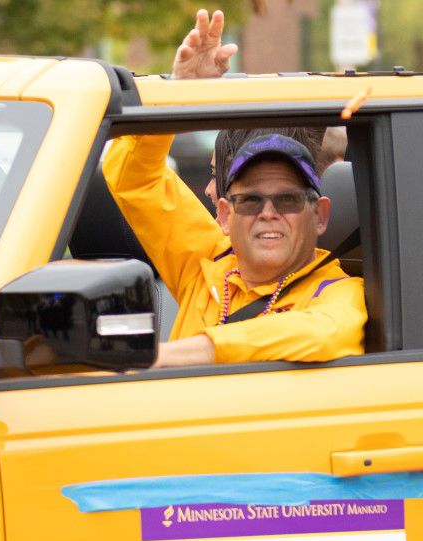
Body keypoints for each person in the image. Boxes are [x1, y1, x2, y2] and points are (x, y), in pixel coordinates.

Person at [101, 9, 365, 368]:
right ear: (225, 214)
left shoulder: (336, 291)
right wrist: (174, 94)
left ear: (319, 215)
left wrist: (173, 355)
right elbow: (133, 179)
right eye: (250, 200)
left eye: (287, 199)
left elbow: (327, 333)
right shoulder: (205, 260)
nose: (268, 213)